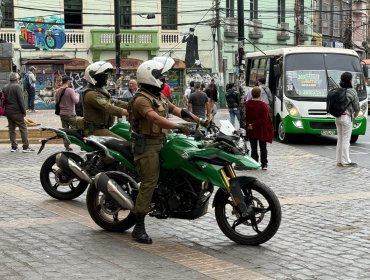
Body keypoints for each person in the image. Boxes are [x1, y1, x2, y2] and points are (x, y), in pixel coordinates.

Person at [129, 57, 209, 244]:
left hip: (162, 142)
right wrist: (177, 127)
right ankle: (138, 226)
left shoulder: (158, 96)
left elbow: (177, 110)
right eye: (160, 76)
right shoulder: (141, 100)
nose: (164, 80)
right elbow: (155, 119)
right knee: (149, 182)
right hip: (147, 147)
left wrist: (200, 121)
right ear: (150, 77)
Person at [82, 61, 129, 138]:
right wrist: (126, 112)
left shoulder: (100, 91)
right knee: (124, 145)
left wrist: (132, 105)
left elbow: (114, 102)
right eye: (104, 76)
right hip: (95, 131)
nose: (106, 78)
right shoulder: (91, 94)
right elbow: (107, 107)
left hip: (103, 128)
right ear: (94, 78)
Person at [3, 72, 34, 153]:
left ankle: (14, 147)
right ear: (16, 79)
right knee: (23, 128)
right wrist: (24, 112)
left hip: (8, 112)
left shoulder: (5, 87)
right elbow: (21, 101)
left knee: (11, 129)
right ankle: (25, 147)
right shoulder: (17, 87)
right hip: (17, 112)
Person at [245, 86, 273, 170]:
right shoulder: (263, 105)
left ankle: (254, 162)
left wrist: (249, 125)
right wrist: (254, 125)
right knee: (263, 147)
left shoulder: (246, 104)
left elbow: (243, 117)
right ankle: (264, 164)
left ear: (251, 94)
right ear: (260, 94)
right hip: (261, 129)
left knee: (253, 147)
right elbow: (264, 120)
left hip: (251, 129)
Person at [335, 72, 360, 167]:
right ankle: (346, 161)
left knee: (340, 139)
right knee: (346, 140)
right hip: (346, 117)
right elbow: (357, 106)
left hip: (337, 117)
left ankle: (339, 160)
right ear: (350, 80)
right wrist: (355, 115)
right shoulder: (352, 91)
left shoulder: (338, 90)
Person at [55, 75, 80, 151]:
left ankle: (67, 146)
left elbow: (56, 102)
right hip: (70, 114)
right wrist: (77, 95)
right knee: (76, 130)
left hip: (62, 114)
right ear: (68, 81)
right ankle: (81, 145)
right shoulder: (70, 90)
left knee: (65, 131)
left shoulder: (57, 91)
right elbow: (76, 101)